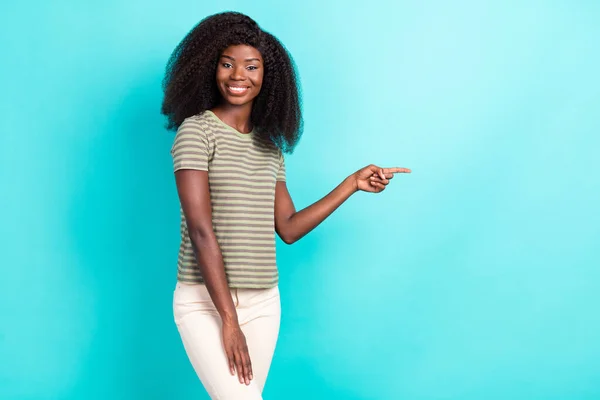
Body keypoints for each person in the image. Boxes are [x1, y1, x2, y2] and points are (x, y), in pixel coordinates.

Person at [161, 11, 411, 400]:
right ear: (211, 68)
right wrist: (228, 320)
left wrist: (351, 185)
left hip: (264, 302)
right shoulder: (197, 131)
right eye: (227, 64)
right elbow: (200, 229)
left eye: (251, 66)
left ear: (268, 76)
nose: (237, 75)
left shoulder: (269, 147)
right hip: (205, 301)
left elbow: (289, 228)